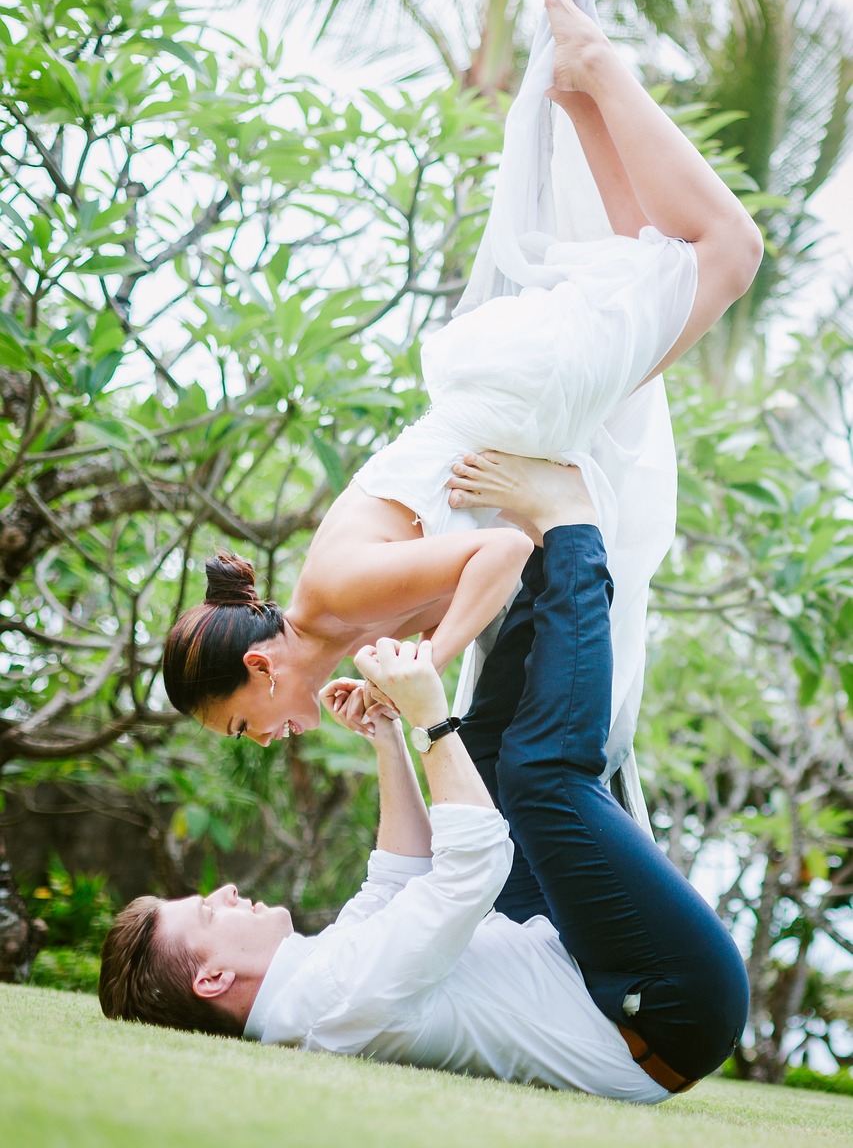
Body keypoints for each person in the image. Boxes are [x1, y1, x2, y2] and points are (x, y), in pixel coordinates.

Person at [161, 0, 763, 761]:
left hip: (519, 405)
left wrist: (427, 667)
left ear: (258, 665)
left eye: (244, 722)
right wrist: (389, 692)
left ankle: (592, 67)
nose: (268, 740)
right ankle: (576, 89)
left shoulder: (331, 594)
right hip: (526, 422)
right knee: (642, 266)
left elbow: (503, 552)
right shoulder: (348, 624)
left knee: (727, 251)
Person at [100, 461, 748, 1102]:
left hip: (570, 962)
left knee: (489, 757)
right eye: (210, 911)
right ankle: (572, 527)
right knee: (538, 779)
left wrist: (387, 732)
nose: (229, 891)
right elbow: (471, 871)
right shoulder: (328, 1000)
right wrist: (428, 720)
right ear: (212, 978)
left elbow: (397, 878)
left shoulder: (309, 982)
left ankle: (547, 556)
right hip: (662, 1013)